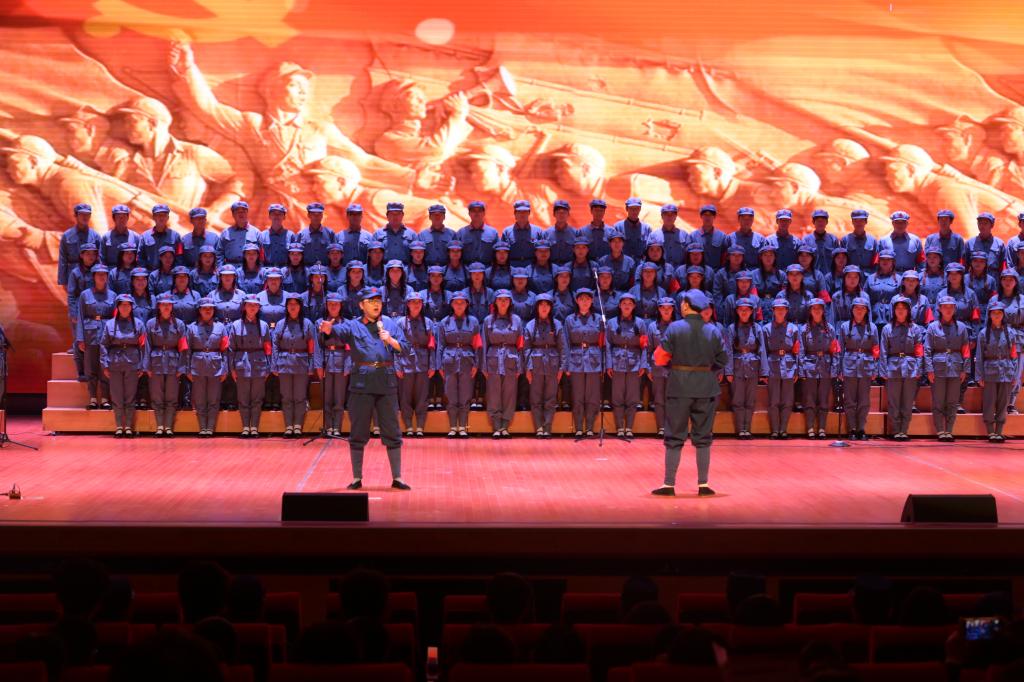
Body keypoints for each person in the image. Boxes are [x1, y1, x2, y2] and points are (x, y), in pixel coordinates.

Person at [330, 286, 410, 490]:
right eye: (371, 301)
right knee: (358, 431)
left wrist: (390, 340)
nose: (376, 304)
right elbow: (334, 333)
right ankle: (357, 478)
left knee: (392, 429)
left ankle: (397, 477)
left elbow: (405, 348)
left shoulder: (389, 323)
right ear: (361, 305)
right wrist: (327, 329)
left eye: (378, 301)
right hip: (362, 384)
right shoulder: (353, 325)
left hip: (386, 381)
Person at [651, 289, 727, 497]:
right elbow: (723, 359)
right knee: (703, 437)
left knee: (674, 436)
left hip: (679, 387)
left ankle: (668, 485)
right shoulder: (713, 330)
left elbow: (660, 358)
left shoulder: (674, 328)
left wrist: (673, 368)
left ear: (686, 305)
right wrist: (707, 371)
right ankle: (703, 485)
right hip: (706, 388)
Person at [925, 296, 971, 442]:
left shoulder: (962, 327)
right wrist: (929, 370)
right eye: (945, 306)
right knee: (938, 401)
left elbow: (966, 350)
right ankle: (940, 430)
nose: (948, 309)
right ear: (939, 308)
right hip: (938, 367)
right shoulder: (932, 327)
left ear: (955, 309)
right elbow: (927, 350)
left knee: (953, 401)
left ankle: (949, 430)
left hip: (956, 367)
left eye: (951, 307)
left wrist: (965, 369)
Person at [100, 294, 147, 438]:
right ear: (118, 307)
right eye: (122, 305)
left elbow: (143, 346)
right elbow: (103, 345)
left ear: (132, 307)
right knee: (117, 395)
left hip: (132, 362)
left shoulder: (139, 324)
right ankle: (119, 426)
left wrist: (142, 365)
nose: (125, 307)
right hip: (115, 362)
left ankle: (129, 427)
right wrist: (104, 364)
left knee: (130, 396)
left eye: (128, 305)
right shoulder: (109, 324)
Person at [879, 296, 925, 441]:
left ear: (908, 311)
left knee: (907, 401)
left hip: (911, 368)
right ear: (893, 310)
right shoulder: (887, 329)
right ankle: (895, 430)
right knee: (894, 402)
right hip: (892, 368)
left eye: (903, 308)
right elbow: (883, 351)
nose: (900, 311)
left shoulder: (915, 329)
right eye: (897, 308)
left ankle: (904, 430)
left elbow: (919, 350)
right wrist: (883, 370)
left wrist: (919, 368)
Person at [436, 291, 481, 437]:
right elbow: (440, 345)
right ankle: (452, 427)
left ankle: (462, 426)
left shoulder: (473, 322)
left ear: (467, 304)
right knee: (451, 395)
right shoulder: (444, 322)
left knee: (465, 394)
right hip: (449, 360)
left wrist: (477, 364)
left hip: (467, 360)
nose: (459, 305)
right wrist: (439, 365)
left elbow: (477, 345)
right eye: (456, 302)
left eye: (462, 302)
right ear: (451, 304)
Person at [723, 297, 768, 439]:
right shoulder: (731, 328)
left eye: (747, 310)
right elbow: (728, 351)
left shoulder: (757, 328)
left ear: (751, 312)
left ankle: (747, 428)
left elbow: (762, 350)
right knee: (738, 400)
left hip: (753, 367)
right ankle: (740, 429)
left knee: (750, 400)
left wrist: (764, 372)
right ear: (737, 311)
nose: (744, 312)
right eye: (741, 310)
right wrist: (728, 371)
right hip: (737, 367)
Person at [481, 290, 524, 438]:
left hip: (511, 359)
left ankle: (505, 426)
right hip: (493, 359)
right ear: (495, 302)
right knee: (493, 394)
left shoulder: (517, 320)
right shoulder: (488, 320)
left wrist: (520, 365)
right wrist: (484, 365)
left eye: (506, 299)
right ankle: (496, 426)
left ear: (510, 302)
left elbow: (521, 344)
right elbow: (484, 344)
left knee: (509, 394)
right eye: (500, 299)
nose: (503, 302)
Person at [522, 293, 566, 438]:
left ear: (551, 307)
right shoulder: (530, 325)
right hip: (535, 364)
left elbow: (562, 348)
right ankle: (539, 427)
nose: (544, 307)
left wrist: (562, 368)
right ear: (537, 307)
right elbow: (526, 349)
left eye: (547, 305)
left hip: (553, 364)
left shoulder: (557, 324)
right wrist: (528, 368)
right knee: (536, 398)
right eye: (541, 304)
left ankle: (547, 427)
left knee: (550, 398)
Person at [605, 292, 647, 439]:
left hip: (634, 363)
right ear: (619, 305)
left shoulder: (640, 323)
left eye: (630, 303)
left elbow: (644, 346)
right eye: (624, 303)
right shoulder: (611, 323)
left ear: (634, 306)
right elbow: (608, 345)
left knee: (632, 398)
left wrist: (643, 364)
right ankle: (619, 428)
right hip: (617, 363)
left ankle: (629, 427)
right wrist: (609, 365)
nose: (627, 306)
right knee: (617, 398)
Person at [186, 298, 229, 437]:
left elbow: (225, 350)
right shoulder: (191, 328)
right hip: (197, 366)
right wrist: (187, 369)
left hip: (216, 366)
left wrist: (225, 369)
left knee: (213, 399)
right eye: (204, 308)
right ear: (199, 310)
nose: (208, 310)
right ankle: (202, 427)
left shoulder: (221, 327)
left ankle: (210, 428)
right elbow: (187, 350)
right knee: (199, 399)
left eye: (210, 308)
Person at [145, 293, 187, 437]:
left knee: (171, 396)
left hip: (173, 363)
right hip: (156, 362)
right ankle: (159, 426)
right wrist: (147, 366)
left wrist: (181, 367)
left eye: (169, 304)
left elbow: (183, 347)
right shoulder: (150, 324)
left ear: (172, 306)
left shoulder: (179, 324)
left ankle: (168, 426)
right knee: (157, 396)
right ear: (158, 306)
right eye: (163, 304)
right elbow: (147, 346)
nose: (166, 307)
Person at [976, 301, 1018, 442]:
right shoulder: (983, 333)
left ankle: (999, 431)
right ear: (989, 315)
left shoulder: (1010, 333)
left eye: (999, 312)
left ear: (1003, 314)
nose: (997, 315)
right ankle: (990, 431)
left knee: (1003, 402)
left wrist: (1014, 374)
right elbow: (979, 356)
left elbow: (1014, 355)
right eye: (994, 313)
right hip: (990, 371)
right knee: (989, 401)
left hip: (1006, 371)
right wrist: (980, 376)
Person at [273, 294, 315, 437]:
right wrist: (274, 365)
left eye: (295, 304)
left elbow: (311, 346)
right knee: (286, 397)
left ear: (300, 307)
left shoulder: (307, 324)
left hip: (301, 364)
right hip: (284, 363)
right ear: (286, 306)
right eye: (290, 304)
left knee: (300, 396)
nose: (292, 307)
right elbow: (275, 345)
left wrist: (311, 365)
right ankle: (288, 426)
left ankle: (297, 425)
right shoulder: (280, 324)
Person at [230, 296, 273, 438]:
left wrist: (268, 367)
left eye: (255, 305)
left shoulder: (264, 325)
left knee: (257, 398)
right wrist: (232, 368)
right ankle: (245, 427)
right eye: (249, 305)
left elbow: (268, 348)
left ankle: (254, 427)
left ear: (259, 308)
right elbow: (231, 349)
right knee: (243, 398)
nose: (252, 308)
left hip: (259, 365)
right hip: (241, 364)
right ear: (244, 307)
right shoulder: (236, 325)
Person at [564, 288, 604, 437]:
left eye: (587, 299)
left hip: (594, 360)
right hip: (576, 359)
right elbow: (566, 343)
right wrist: (566, 364)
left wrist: (604, 364)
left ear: (592, 301)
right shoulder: (570, 320)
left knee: (592, 396)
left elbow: (603, 342)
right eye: (581, 299)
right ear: (577, 301)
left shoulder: (599, 319)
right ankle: (579, 427)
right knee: (578, 395)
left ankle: (590, 427)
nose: (585, 302)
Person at [839, 297, 879, 440]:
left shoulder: (872, 327)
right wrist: (839, 369)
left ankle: (861, 428)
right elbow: (840, 349)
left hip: (866, 366)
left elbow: (876, 350)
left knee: (864, 401)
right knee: (850, 400)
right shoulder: (845, 326)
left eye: (862, 308)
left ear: (867, 310)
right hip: (849, 365)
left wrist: (875, 369)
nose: (859, 311)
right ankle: (852, 428)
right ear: (852, 310)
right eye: (856, 308)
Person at [77, 264, 117, 410]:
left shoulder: (113, 295)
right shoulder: (85, 295)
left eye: (104, 274)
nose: (101, 277)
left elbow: (115, 318)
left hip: (106, 334)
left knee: (105, 367)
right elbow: (80, 317)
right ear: (93, 277)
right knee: (91, 368)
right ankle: (93, 398)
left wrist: (115, 337)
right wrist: (80, 338)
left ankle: (105, 398)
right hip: (90, 334)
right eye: (98, 274)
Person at [396, 292, 435, 438]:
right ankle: (408, 425)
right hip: (405, 362)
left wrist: (432, 365)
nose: (416, 304)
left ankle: (420, 426)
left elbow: (432, 345)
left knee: (422, 397)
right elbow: (396, 346)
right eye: (413, 302)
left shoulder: (428, 322)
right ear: (408, 304)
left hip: (423, 363)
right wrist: (397, 365)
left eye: (419, 302)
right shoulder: (400, 322)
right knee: (405, 396)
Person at [799, 298, 839, 439]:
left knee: (823, 400)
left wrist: (834, 369)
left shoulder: (830, 329)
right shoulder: (804, 329)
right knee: (809, 400)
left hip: (825, 367)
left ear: (823, 311)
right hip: (809, 367)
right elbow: (801, 351)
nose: (816, 311)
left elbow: (835, 350)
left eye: (819, 308)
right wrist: (801, 370)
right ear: (810, 311)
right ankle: (810, 428)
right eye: (814, 308)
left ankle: (822, 428)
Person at [314, 293, 350, 437]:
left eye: (336, 304)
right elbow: (317, 346)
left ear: (341, 306)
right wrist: (318, 365)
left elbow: (349, 346)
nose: (333, 306)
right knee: (327, 397)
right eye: (330, 304)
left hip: (341, 361)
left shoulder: (347, 324)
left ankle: (337, 427)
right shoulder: (320, 323)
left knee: (339, 398)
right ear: (326, 306)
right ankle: (328, 426)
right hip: (326, 361)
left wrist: (348, 364)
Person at [764, 298, 800, 439]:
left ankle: (783, 430)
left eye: (782, 309)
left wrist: (797, 369)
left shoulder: (794, 329)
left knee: (787, 400)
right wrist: (764, 371)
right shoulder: (766, 329)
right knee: (774, 400)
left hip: (789, 366)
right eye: (777, 309)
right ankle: (774, 430)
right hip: (772, 365)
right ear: (773, 311)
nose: (780, 311)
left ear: (786, 311)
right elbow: (763, 351)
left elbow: (797, 350)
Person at [67, 242, 99, 381]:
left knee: (94, 342)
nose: (91, 257)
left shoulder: (99, 271)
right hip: (79, 311)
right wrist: (73, 313)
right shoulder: (75, 273)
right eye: (88, 254)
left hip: (94, 310)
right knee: (79, 342)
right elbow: (71, 295)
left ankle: (95, 372)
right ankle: (81, 372)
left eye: (93, 254)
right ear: (81, 255)